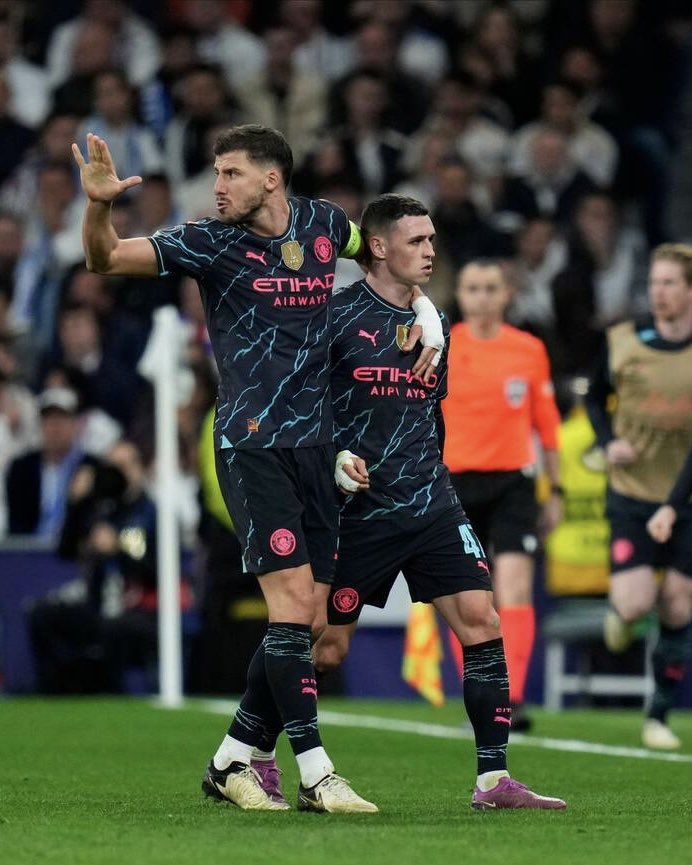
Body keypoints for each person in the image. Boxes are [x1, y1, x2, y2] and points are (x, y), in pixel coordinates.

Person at [71, 124, 444, 813]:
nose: (218, 186)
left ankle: (229, 759)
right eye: (217, 173)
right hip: (253, 443)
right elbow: (104, 260)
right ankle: (316, 772)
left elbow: (386, 256)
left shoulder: (327, 225)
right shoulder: (209, 243)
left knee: (321, 632)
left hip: (322, 451)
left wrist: (429, 314)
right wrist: (98, 206)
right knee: (292, 607)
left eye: (231, 174)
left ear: (271, 179)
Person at [248, 194, 566, 811]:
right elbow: (297, 405)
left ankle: (493, 780)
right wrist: (335, 456)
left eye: (431, 240)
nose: (429, 251)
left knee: (483, 621)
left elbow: (428, 413)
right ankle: (250, 750)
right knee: (320, 640)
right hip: (357, 513)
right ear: (378, 246)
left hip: (430, 503)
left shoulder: (432, 323)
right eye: (416, 241)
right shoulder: (334, 318)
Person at [442, 260, 563, 731]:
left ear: (507, 293)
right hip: (455, 484)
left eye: (491, 288)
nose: (482, 297)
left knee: (513, 589)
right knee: (467, 597)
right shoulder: (444, 344)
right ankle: (479, 693)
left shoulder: (528, 350)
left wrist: (557, 491)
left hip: (514, 481)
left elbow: (547, 425)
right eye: (473, 288)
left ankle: (510, 697)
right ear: (462, 294)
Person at [585, 243, 692, 750]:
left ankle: (658, 715)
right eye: (654, 283)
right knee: (635, 603)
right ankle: (624, 612)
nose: (659, 292)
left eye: (670, 282)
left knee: (678, 604)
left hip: (685, 498)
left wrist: (673, 506)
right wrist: (609, 443)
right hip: (631, 492)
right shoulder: (624, 340)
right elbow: (592, 395)